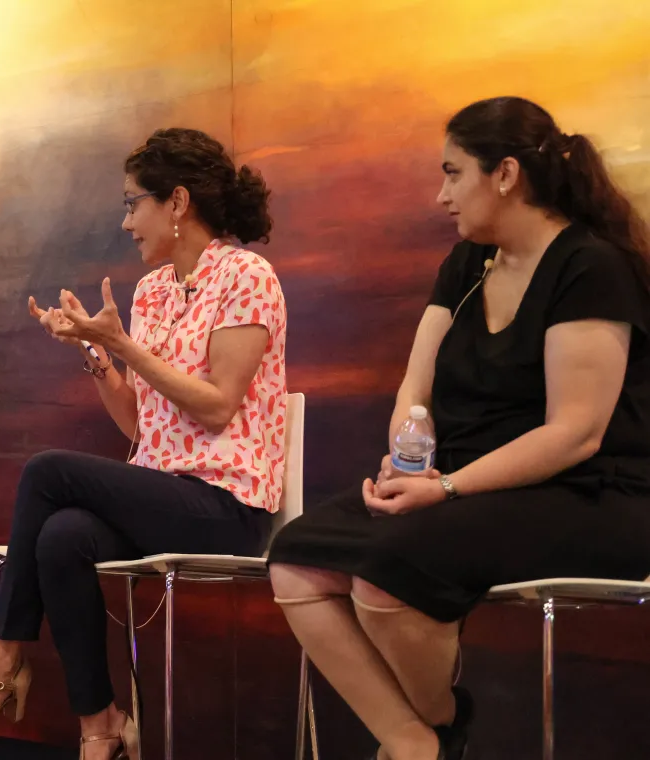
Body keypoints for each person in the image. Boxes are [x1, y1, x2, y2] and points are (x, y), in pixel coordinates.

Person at [269, 96, 650, 760]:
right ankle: (420, 740)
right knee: (298, 556)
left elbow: (575, 434)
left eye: (453, 173)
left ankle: (437, 733)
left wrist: (445, 491)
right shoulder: (468, 263)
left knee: (389, 570)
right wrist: (409, 464)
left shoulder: (590, 267)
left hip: (591, 491)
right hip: (465, 487)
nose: (441, 194)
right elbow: (416, 389)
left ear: (504, 174)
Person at [0, 128, 287, 760]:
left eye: (132, 203)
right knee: (62, 538)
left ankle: (0, 660)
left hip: (227, 508)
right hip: (165, 492)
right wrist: (96, 356)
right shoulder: (151, 290)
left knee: (47, 471)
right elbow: (141, 429)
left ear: (176, 202)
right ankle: (101, 727)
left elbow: (220, 403)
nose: (125, 222)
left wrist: (124, 346)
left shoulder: (247, 275)